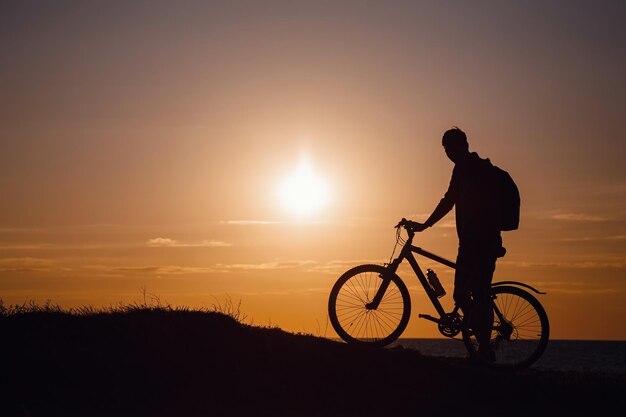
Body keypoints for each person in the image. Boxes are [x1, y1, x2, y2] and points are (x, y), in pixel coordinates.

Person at [407, 127, 506, 362]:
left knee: (470, 294)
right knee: (472, 294)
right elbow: (449, 200)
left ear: (462, 145)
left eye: (449, 148)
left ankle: (483, 347)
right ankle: (482, 345)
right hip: (477, 242)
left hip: (479, 244)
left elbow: (449, 202)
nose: (447, 153)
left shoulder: (470, 170)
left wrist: (425, 225)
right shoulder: (465, 168)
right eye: (445, 149)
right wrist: (425, 225)